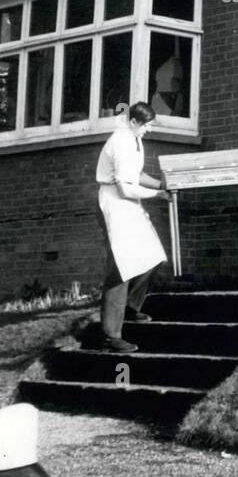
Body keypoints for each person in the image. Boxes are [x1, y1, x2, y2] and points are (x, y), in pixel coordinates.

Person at [95, 101, 169, 354]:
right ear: (135, 121)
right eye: (146, 125)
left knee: (154, 257)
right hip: (115, 204)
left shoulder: (136, 140)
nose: (148, 130)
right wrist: (158, 195)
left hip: (130, 204)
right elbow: (124, 188)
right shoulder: (121, 140)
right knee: (120, 267)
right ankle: (110, 336)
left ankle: (129, 306)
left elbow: (136, 175)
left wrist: (163, 183)